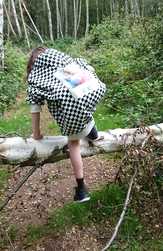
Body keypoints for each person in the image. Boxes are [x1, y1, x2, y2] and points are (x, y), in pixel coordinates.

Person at [26, 45, 106, 203]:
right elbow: (88, 67)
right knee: (81, 103)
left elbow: (35, 107)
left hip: (71, 105)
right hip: (92, 89)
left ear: (32, 63)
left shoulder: (38, 77)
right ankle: (92, 131)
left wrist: (36, 133)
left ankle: (82, 190)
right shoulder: (64, 63)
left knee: (73, 144)